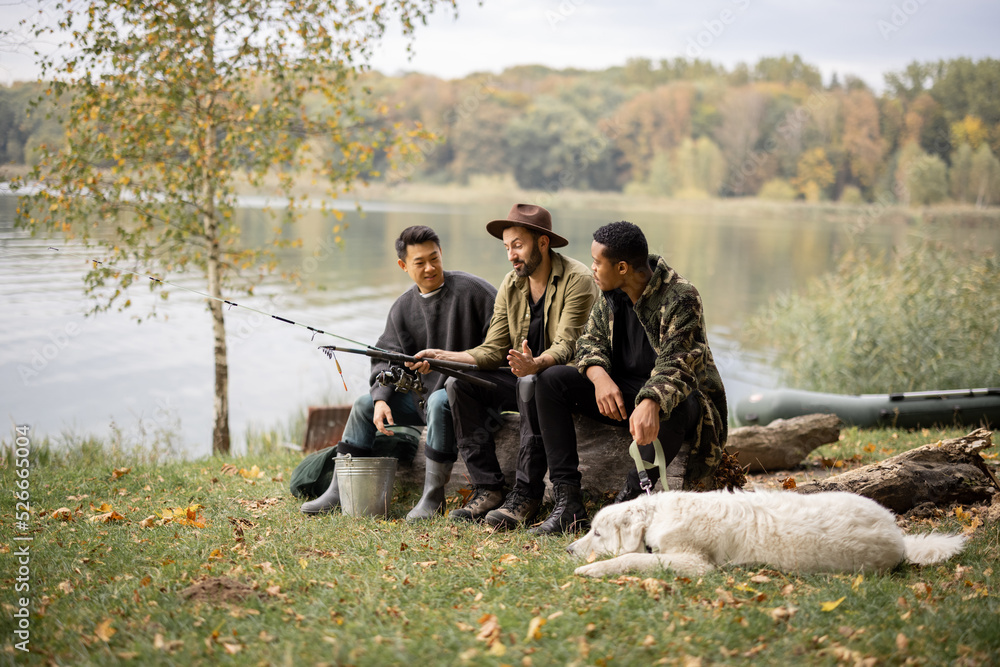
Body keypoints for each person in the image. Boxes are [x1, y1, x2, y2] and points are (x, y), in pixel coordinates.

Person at [491, 220, 728, 534]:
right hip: (622, 395)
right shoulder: (610, 293)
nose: (592, 269)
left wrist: (651, 401)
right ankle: (568, 505)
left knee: (677, 406)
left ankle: (626, 506)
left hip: (679, 403)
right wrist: (599, 377)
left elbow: (680, 363)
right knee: (550, 382)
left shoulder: (680, 296)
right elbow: (589, 341)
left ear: (622, 267)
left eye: (597, 263)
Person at [415, 204, 599, 523]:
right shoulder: (511, 284)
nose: (511, 255)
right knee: (458, 384)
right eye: (507, 247)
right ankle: (488, 489)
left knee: (531, 382)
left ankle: (526, 495)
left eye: (518, 245)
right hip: (524, 375)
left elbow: (568, 345)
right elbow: (493, 350)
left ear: (543, 242)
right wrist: (443, 357)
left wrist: (535, 364)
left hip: (564, 381)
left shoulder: (578, 279)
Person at [300, 225, 496, 520]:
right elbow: (384, 358)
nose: (430, 268)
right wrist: (380, 398)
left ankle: (433, 496)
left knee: (440, 400)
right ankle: (338, 490)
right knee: (365, 405)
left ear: (441, 253)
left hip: (466, 399)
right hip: (422, 400)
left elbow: (498, 345)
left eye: (434, 258)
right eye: (419, 262)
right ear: (403, 266)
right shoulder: (402, 308)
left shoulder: (475, 292)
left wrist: (452, 363)